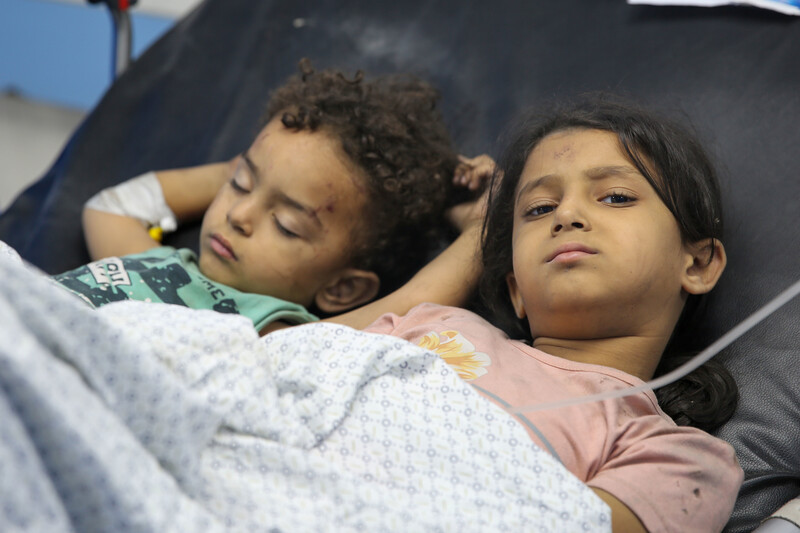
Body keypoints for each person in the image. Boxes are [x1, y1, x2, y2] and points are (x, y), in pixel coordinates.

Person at [365, 95, 743, 532]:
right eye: (539, 209)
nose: (566, 214)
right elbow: (281, 359)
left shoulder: (675, 457)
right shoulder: (430, 324)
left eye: (616, 197)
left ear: (696, 264)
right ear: (516, 290)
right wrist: (478, 228)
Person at [53, 59, 492, 335]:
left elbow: (401, 310)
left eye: (286, 224)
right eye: (241, 184)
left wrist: (483, 226)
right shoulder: (158, 259)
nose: (239, 215)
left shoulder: (269, 328)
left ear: (342, 288)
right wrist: (251, 164)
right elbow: (113, 207)